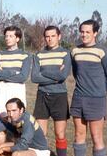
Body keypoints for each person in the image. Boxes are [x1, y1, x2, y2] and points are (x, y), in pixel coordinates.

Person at [70, 20, 107, 156]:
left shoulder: (102, 51)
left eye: (88, 32)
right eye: (82, 32)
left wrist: (100, 93)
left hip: (96, 100)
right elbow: (76, 72)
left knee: (97, 137)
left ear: (95, 33)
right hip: (78, 98)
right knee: (79, 135)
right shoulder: (75, 51)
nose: (84, 35)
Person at [31, 26, 71, 156]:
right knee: (41, 135)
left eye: (53, 36)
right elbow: (34, 77)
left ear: (59, 36)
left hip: (59, 96)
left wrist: (44, 72)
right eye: (47, 36)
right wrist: (54, 77)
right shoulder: (39, 55)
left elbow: (62, 76)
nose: (50, 39)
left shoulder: (65, 54)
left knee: (60, 134)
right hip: (42, 95)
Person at [0, 26, 31, 114]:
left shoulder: (25, 56)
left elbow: (23, 77)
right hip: (2, 89)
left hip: (17, 89)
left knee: (17, 120)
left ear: (17, 38)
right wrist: (13, 72)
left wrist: (3, 73)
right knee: (0, 117)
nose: (7, 38)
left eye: (10, 36)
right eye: (6, 36)